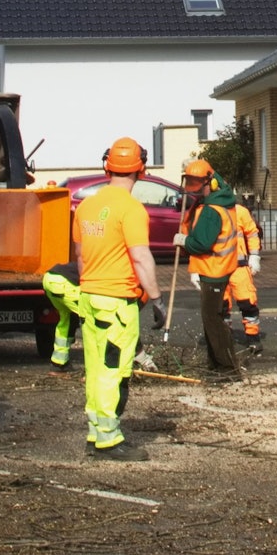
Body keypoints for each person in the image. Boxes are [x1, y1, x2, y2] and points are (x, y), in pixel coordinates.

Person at [72, 137, 164, 461]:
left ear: (106, 165)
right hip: (116, 303)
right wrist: (156, 298)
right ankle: (109, 439)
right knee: (113, 371)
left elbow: (81, 256)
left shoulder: (85, 206)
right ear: (142, 169)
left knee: (96, 369)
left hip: (90, 298)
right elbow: (140, 257)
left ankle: (96, 432)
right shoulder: (131, 209)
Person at [174, 159, 242, 371]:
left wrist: (184, 241)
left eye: (198, 186)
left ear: (210, 183)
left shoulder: (212, 210)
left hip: (214, 270)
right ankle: (218, 364)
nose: (194, 192)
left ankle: (226, 368)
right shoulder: (222, 204)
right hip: (219, 268)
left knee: (212, 319)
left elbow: (202, 243)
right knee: (215, 318)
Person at [222, 198, 264, 352]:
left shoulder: (240, 211)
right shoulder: (209, 211)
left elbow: (252, 233)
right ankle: (224, 339)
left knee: (247, 302)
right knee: (222, 306)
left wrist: (254, 255)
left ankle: (253, 338)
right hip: (217, 269)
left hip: (239, 266)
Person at [41, 261, 82, 369]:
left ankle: (59, 361)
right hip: (64, 284)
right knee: (90, 321)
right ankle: (97, 365)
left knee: (66, 319)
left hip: (48, 279)